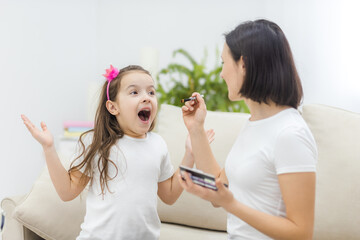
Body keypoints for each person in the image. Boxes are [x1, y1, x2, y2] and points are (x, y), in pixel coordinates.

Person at [21, 65, 214, 240]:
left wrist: (191, 153)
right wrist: (48, 148)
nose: (146, 97)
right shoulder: (96, 143)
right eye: (134, 92)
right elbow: (66, 192)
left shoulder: (158, 144)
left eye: (151, 92)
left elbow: (170, 196)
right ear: (113, 107)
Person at [178, 19, 318, 240]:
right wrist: (196, 128)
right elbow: (219, 190)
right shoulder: (254, 123)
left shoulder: (290, 134)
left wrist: (231, 203)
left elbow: (301, 233)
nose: (222, 73)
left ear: (243, 64)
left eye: (224, 62)